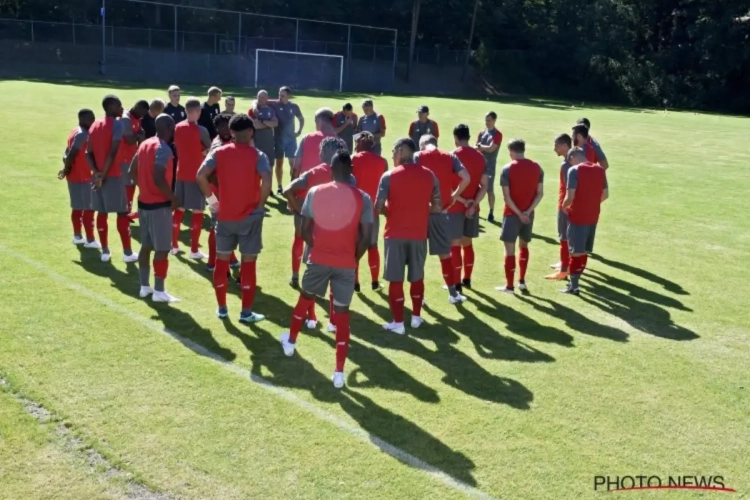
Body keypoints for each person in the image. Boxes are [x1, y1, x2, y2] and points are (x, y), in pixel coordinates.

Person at [280, 150, 373, 389]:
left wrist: (317, 246)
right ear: (351, 170)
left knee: (305, 299)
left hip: (319, 258)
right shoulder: (363, 198)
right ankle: (339, 372)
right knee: (342, 316)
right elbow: (366, 237)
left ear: (331, 170)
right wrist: (353, 258)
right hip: (346, 264)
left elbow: (304, 229)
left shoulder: (315, 192)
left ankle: (290, 342)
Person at [196, 114, 273, 323]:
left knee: (221, 262)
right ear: (251, 132)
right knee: (248, 264)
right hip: (250, 217)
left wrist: (212, 202)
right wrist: (260, 206)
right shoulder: (259, 155)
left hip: (225, 217)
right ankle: (246, 313)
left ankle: (222, 309)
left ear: (231, 132)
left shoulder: (219, 152)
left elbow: (200, 175)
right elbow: (267, 182)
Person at [283, 136, 351, 331]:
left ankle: (312, 317)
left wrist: (299, 210)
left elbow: (288, 189)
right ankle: (333, 321)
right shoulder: (348, 176)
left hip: (317, 235)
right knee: (337, 279)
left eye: (321, 151)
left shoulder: (313, 173)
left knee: (311, 278)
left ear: (326, 153)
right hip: (341, 235)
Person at [376, 138, 442, 333]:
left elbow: (378, 206)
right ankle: (415, 317)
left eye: (394, 151)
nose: (393, 155)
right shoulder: (430, 175)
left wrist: (392, 211)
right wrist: (420, 210)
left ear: (403, 150)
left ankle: (398, 323)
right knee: (417, 277)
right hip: (418, 234)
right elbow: (437, 206)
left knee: (396, 280)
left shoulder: (388, 176)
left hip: (394, 234)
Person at [129, 114, 180, 303]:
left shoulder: (144, 144)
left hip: (143, 203)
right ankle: (159, 291)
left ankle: (144, 287)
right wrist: (173, 198)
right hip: (159, 207)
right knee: (162, 249)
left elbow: (131, 170)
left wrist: (143, 187)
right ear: (168, 126)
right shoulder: (164, 149)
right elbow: (159, 177)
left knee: (146, 246)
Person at [414, 134, 470, 303]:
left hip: (421, 213)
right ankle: (453, 294)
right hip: (441, 212)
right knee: (445, 255)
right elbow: (466, 178)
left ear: (422, 144)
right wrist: (454, 196)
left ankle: (420, 297)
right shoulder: (450, 156)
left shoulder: (418, 156)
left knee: (419, 257)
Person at [287, 108, 337, 289]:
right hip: (330, 202)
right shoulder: (339, 143)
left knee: (299, 237)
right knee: (323, 240)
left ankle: (295, 275)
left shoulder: (307, 138)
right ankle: (320, 277)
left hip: (303, 198)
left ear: (319, 121)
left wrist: (291, 195)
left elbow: (296, 167)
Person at [86, 94, 136, 263]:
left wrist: (97, 173)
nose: (122, 109)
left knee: (102, 212)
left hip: (98, 177)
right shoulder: (117, 125)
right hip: (113, 175)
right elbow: (113, 151)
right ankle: (127, 253)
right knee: (122, 213)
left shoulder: (94, 125)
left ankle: (105, 251)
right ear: (112, 107)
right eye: (119, 106)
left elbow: (88, 153)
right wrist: (105, 174)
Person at [496, 139, 544, 293]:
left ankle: (509, 286)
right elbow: (540, 194)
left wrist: (518, 213)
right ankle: (521, 281)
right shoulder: (537, 168)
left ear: (511, 151)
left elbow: (507, 198)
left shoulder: (507, 169)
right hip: (529, 216)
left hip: (511, 215)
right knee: (524, 245)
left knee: (509, 250)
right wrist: (527, 212)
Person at [560, 148, 609, 295]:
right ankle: (577, 281)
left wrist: (564, 207)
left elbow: (570, 196)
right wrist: (592, 204)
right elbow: (605, 194)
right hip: (593, 216)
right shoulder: (600, 170)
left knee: (575, 251)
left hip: (577, 216)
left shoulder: (574, 170)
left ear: (573, 157)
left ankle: (574, 287)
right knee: (584, 250)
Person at [172, 98, 212, 259]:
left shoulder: (177, 127)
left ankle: (173, 245)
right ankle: (194, 250)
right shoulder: (201, 130)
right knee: (197, 211)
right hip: (197, 175)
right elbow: (210, 148)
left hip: (180, 173)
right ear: (196, 111)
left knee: (179, 210)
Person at [452, 124, 490, 289]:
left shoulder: (452, 156)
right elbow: (484, 186)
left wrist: (463, 201)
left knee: (454, 245)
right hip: (472, 209)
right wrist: (474, 203)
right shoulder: (480, 157)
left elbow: (448, 186)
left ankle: (455, 282)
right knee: (467, 244)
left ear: (456, 138)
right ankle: (466, 279)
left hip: (455, 208)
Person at [351, 131, 387, 292]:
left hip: (355, 209)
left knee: (355, 246)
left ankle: (355, 283)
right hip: (373, 210)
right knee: (373, 245)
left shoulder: (352, 159)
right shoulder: (382, 162)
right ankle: (374, 282)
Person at [59, 108, 98, 248]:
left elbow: (66, 153)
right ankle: (90, 239)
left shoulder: (75, 131)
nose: (93, 121)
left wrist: (67, 168)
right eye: (90, 119)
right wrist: (66, 168)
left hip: (75, 176)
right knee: (88, 208)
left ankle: (77, 236)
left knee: (77, 208)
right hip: (82, 177)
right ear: (83, 119)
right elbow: (72, 152)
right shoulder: (82, 135)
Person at [206, 113, 239, 273]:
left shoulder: (231, 142)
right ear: (217, 128)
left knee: (225, 227)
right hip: (217, 195)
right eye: (221, 127)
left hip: (224, 193)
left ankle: (230, 258)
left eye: (227, 126)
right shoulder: (217, 146)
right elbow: (210, 174)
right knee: (217, 228)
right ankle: (213, 262)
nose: (225, 129)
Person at [546, 134, 574, 280]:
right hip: (572, 205)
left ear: (564, 146)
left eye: (556, 145)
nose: (554, 148)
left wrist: (564, 206)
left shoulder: (566, 165)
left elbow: (570, 188)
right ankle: (566, 263)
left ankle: (563, 271)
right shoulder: (575, 160)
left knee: (564, 237)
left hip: (565, 205)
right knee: (569, 237)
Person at [269, 86, 304, 194]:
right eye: (279, 94)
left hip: (291, 140)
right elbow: (258, 100)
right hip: (278, 139)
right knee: (279, 164)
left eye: (283, 95)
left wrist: (299, 131)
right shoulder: (274, 103)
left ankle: (291, 186)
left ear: (288, 96)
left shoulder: (294, 106)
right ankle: (279, 186)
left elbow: (301, 118)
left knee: (293, 164)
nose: (280, 97)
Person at [118, 100, 149, 218]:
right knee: (128, 185)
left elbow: (140, 137)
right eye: (142, 112)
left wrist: (139, 136)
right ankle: (125, 212)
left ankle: (128, 212)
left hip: (132, 157)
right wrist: (139, 135)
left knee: (133, 184)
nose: (143, 115)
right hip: (124, 158)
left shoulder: (137, 119)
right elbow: (130, 140)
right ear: (136, 107)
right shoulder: (126, 119)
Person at [476, 111, 503, 222]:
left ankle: (491, 212)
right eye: (486, 120)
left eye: (489, 121)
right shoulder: (482, 133)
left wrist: (481, 147)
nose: (487, 123)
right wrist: (483, 147)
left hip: (490, 166)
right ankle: (474, 209)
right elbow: (476, 146)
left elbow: (492, 149)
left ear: (494, 120)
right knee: (475, 187)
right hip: (478, 164)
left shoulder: (498, 134)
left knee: (489, 189)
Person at [248, 90, 278, 166]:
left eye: (263, 97)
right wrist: (268, 123)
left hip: (269, 144)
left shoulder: (271, 110)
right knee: (256, 167)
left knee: (270, 166)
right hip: (256, 143)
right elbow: (255, 125)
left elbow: (275, 123)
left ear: (267, 98)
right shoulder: (252, 111)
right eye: (259, 97)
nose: (261, 99)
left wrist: (263, 121)